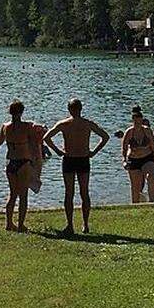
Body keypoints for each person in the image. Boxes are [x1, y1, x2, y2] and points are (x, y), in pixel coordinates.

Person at [44, 98, 110, 234]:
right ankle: (85, 224)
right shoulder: (87, 124)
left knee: (70, 193)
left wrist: (57, 151)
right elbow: (105, 137)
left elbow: (46, 137)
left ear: (69, 110)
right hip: (83, 159)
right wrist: (94, 152)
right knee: (84, 192)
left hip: (69, 159)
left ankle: (70, 225)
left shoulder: (64, 124)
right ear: (81, 109)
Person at [0, 99, 35, 232]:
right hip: (23, 161)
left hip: (11, 162)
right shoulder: (27, 126)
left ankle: (9, 223)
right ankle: (21, 225)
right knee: (23, 195)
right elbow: (35, 141)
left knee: (12, 194)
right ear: (22, 112)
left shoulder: (5, 126)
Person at [121, 107, 154, 203]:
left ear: (142, 120)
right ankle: (135, 205)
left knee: (151, 176)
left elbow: (153, 145)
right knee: (136, 186)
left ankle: (152, 202)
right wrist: (124, 161)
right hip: (134, 160)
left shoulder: (147, 131)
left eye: (140, 122)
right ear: (133, 121)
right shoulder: (129, 132)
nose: (138, 124)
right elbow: (124, 148)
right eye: (136, 122)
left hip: (147, 157)